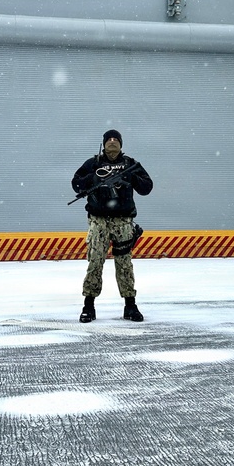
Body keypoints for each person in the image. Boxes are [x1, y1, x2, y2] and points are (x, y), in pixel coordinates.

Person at [71, 129, 153, 323]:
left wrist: (131, 178)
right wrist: (93, 179)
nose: (112, 142)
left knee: (124, 264)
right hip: (98, 220)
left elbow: (147, 187)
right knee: (95, 261)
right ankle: (88, 305)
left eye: (116, 140)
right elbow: (76, 184)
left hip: (123, 220)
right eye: (109, 140)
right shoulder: (93, 164)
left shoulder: (131, 165)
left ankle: (130, 305)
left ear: (121, 144)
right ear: (104, 143)